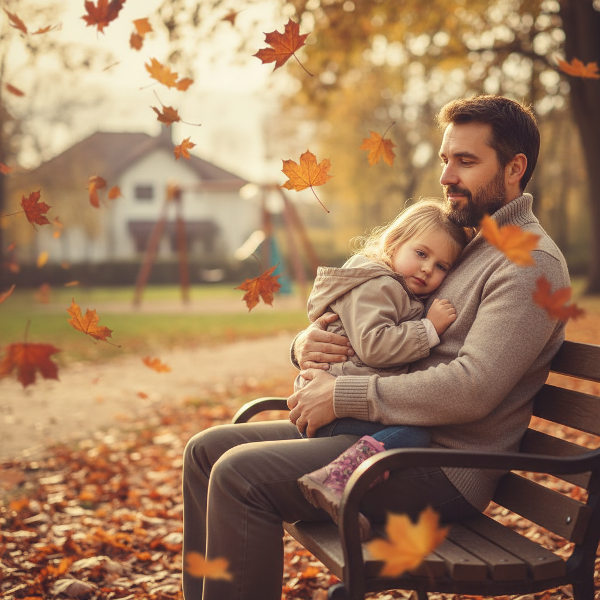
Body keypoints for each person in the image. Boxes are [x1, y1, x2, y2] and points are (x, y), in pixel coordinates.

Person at [182, 95, 569, 600]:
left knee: (240, 477)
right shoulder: (470, 243)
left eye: (466, 161)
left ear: (515, 168)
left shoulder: (529, 264)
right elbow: (376, 312)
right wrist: (308, 345)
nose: (447, 175)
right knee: (206, 452)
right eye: (445, 160)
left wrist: (343, 396)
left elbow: (472, 388)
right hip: (388, 436)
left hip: (444, 465)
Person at [294, 199, 470, 539]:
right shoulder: (377, 285)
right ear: (393, 244)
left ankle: (343, 485)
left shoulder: (392, 286)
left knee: (410, 428)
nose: (427, 269)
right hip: (331, 405)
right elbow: (374, 346)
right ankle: (338, 479)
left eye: (441, 266)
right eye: (421, 254)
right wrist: (429, 329)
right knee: (415, 433)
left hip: (337, 398)